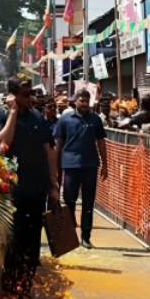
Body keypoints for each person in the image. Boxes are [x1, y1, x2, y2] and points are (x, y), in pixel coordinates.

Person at [0, 76, 60, 299]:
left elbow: (49, 152)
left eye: (31, 93)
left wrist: (54, 185)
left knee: (31, 247)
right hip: (11, 193)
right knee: (12, 246)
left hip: (36, 190)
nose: (30, 98)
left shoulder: (39, 118)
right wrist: (12, 113)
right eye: (24, 94)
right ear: (13, 96)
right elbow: (2, 143)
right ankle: (8, 297)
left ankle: (25, 296)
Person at [52, 89, 108, 250]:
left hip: (90, 165)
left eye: (86, 101)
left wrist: (105, 164)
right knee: (69, 201)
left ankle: (86, 237)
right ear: (75, 101)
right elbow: (58, 145)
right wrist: (56, 169)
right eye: (81, 101)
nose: (84, 104)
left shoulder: (95, 119)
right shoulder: (64, 119)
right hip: (70, 166)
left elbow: (101, 142)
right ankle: (70, 236)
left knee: (88, 202)